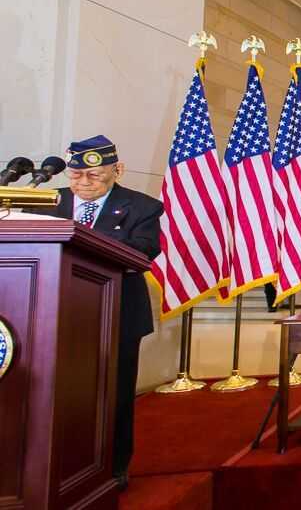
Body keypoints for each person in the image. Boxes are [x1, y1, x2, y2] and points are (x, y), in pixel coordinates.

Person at [48, 135, 163, 490]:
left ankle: (113, 466)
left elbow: (143, 251)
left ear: (118, 170)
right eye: (76, 175)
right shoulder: (49, 202)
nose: (83, 184)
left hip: (118, 315)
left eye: (94, 176)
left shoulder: (142, 206)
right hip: (52, 316)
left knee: (114, 394)